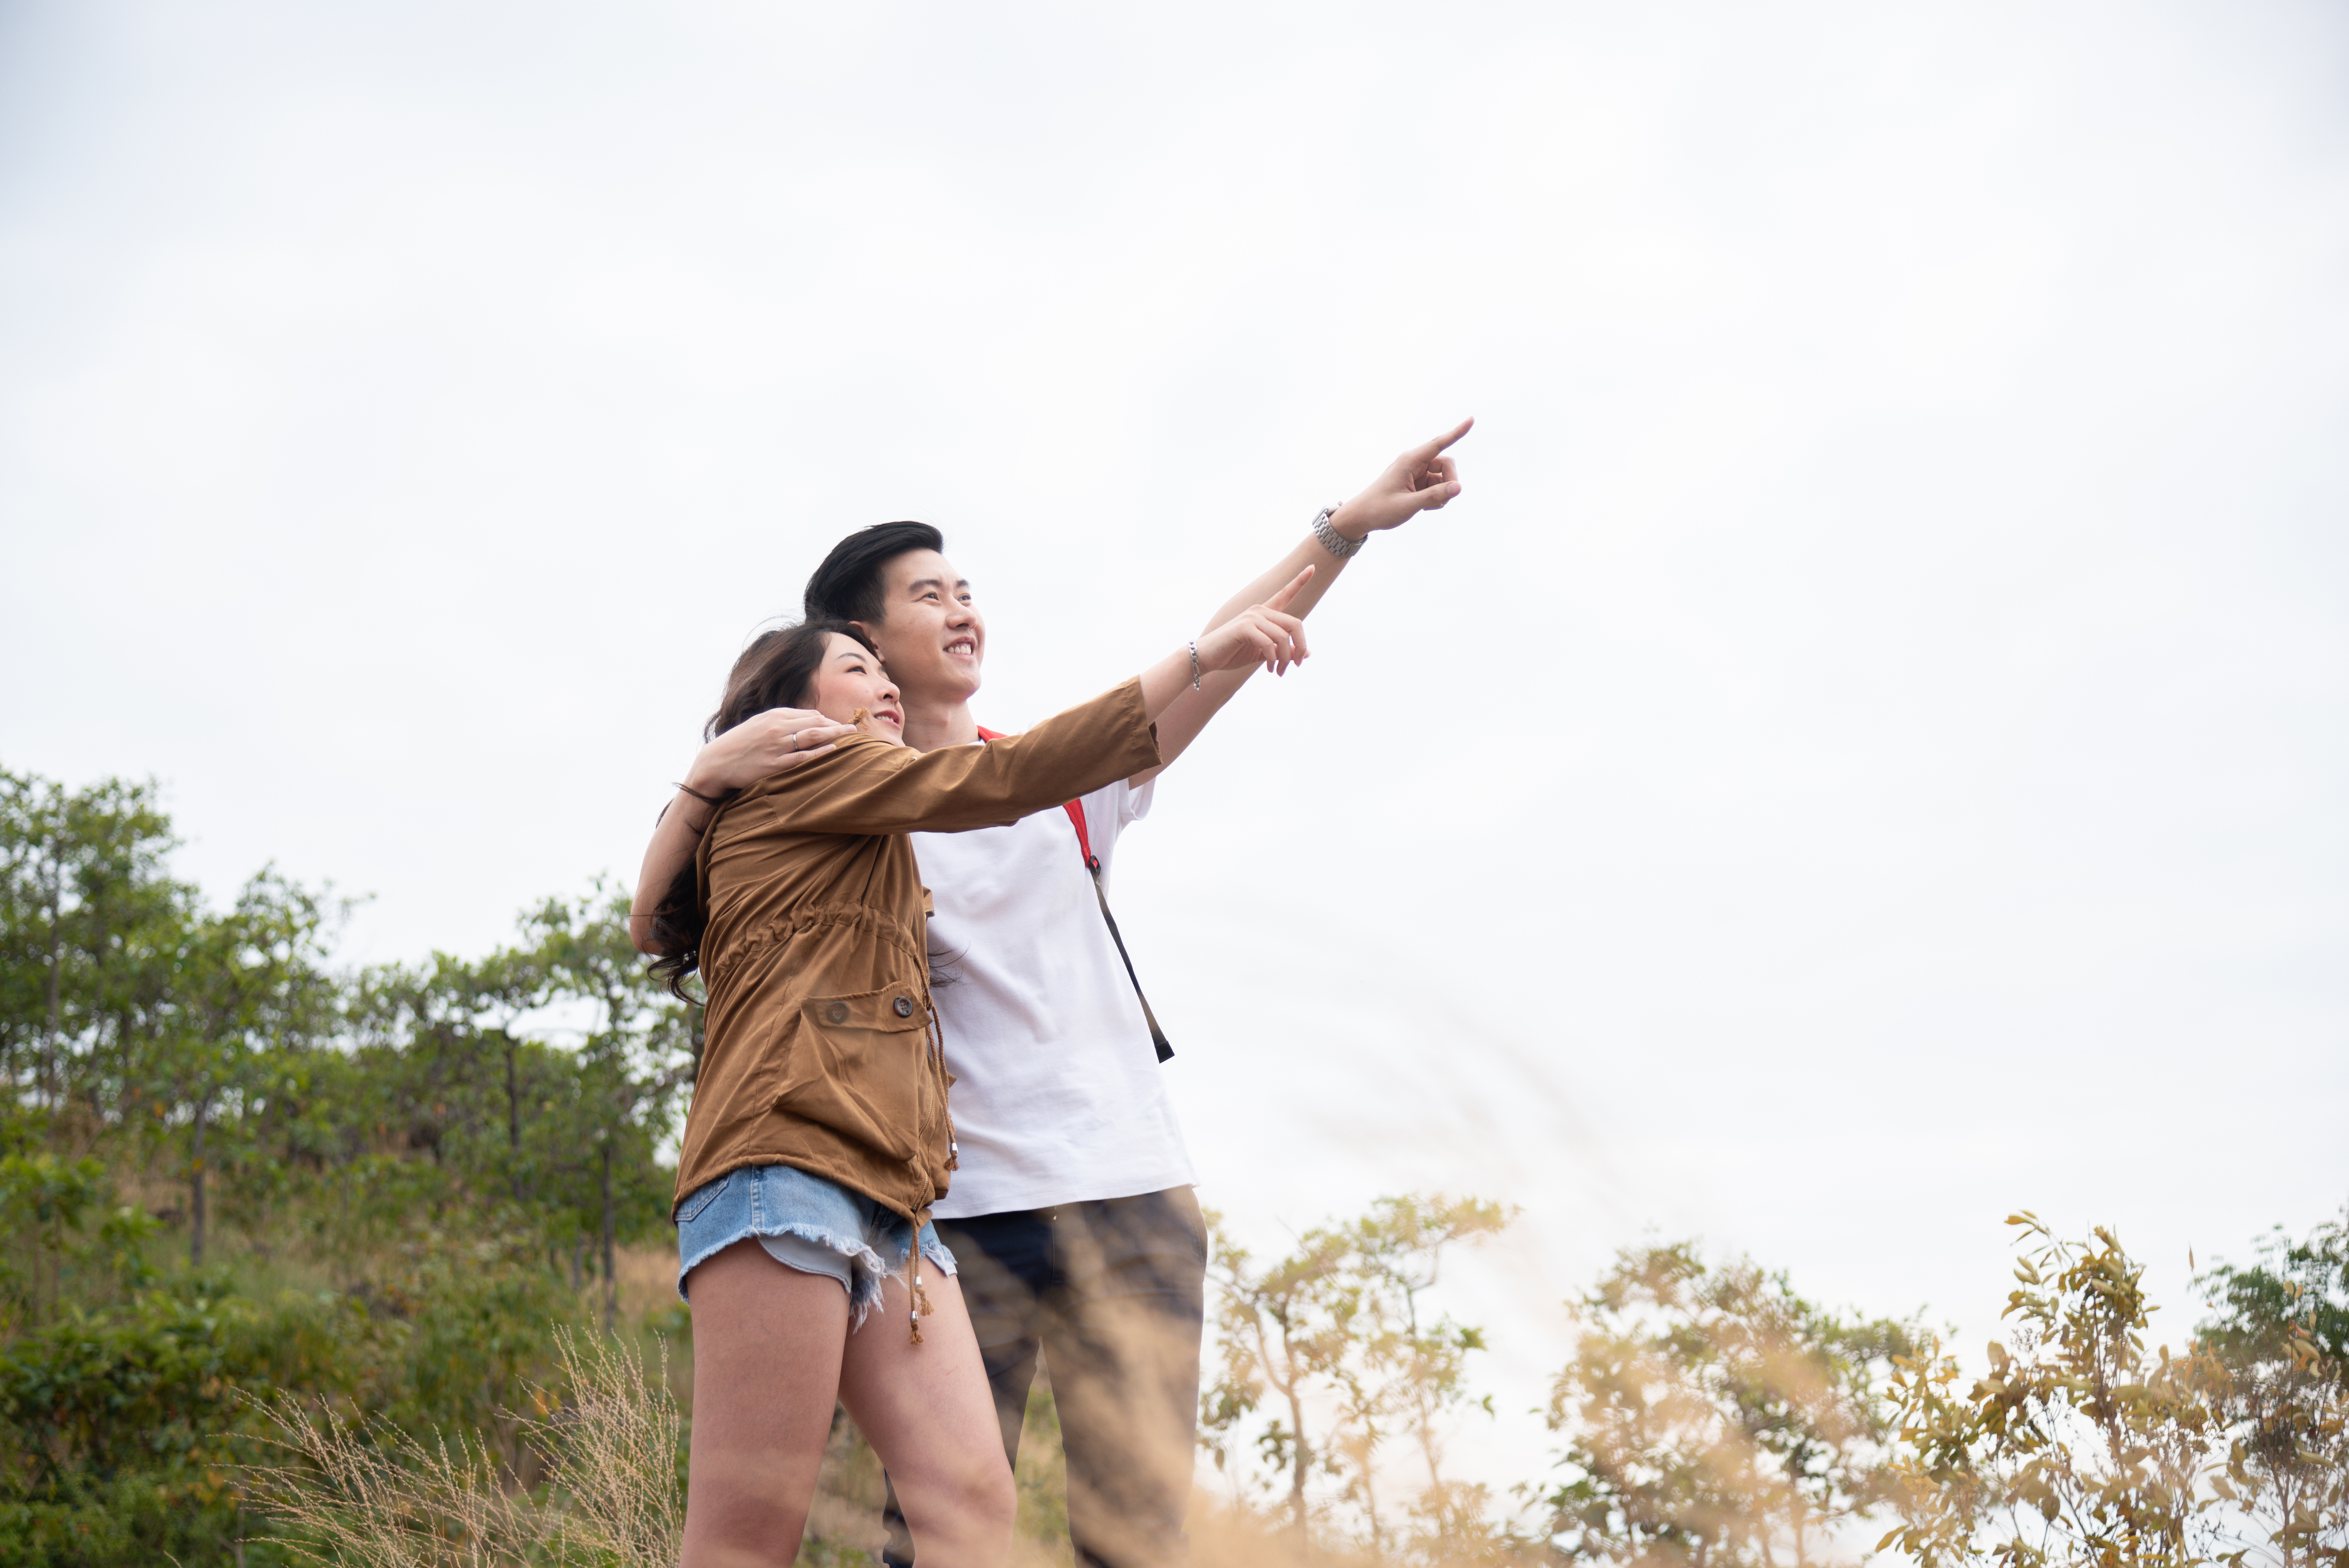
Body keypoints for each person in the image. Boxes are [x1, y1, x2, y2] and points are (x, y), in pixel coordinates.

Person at [633, 420, 1469, 1568]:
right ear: (857, 642)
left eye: (968, 588)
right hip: (955, 1212)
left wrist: (1339, 533)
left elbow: (1219, 653)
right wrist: (704, 779)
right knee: (923, 1539)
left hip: (1131, 1195)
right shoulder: (842, 817)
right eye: (929, 597)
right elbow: (669, 919)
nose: (964, 611)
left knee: (1126, 1540)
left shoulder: (1070, 780)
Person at [643, 588, 1315, 1568]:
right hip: (782, 1170)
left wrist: (700, 783)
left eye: (884, 670)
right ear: (790, 713)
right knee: (748, 1539)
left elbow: (650, 922)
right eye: (857, 670)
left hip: (896, 1195)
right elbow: (1008, 775)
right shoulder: (813, 774)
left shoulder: (857, 819)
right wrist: (1199, 651)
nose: (885, 689)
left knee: (963, 1507)